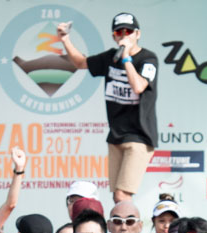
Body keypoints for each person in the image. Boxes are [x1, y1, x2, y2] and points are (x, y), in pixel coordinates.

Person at [57, 13, 159, 203]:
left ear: (137, 34)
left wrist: (127, 59)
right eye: (119, 32)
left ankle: (130, 232)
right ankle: (126, 227)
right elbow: (80, 63)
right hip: (116, 135)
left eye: (128, 31)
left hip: (139, 135)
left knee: (123, 194)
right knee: (116, 196)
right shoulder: (111, 57)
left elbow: (139, 86)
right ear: (114, 36)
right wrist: (65, 39)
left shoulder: (148, 59)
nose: (123, 35)